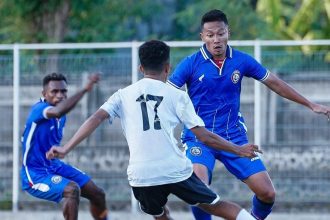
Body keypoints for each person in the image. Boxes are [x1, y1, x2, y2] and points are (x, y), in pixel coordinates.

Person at [46, 40, 262, 220]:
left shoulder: (122, 94)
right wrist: (238, 149)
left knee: (159, 214)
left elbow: (95, 118)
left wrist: (66, 148)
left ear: (141, 68)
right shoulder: (177, 95)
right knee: (214, 204)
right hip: (175, 170)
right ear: (168, 67)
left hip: (142, 175)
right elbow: (204, 136)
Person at [167, 9, 330, 220]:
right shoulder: (190, 63)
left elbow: (275, 83)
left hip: (234, 137)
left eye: (220, 33)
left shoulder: (242, 60)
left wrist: (310, 104)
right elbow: (166, 93)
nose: (216, 40)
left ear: (228, 33)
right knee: (200, 190)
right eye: (210, 35)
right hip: (199, 138)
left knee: (267, 193)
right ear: (202, 37)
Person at [21, 72, 108, 220]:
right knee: (72, 190)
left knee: (98, 194)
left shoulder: (62, 117)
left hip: (54, 165)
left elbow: (51, 137)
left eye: (63, 91)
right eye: (54, 91)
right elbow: (58, 111)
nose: (60, 95)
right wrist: (85, 89)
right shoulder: (40, 109)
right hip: (35, 174)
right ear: (44, 94)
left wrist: (54, 152)